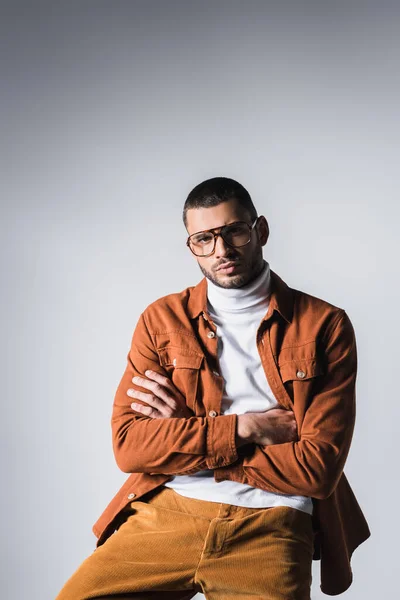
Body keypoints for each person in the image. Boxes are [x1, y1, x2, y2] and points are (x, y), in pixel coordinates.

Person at [56, 177, 370, 600]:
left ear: (260, 231)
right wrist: (245, 428)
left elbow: (316, 471)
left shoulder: (324, 324)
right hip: (168, 508)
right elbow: (129, 446)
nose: (221, 251)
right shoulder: (162, 319)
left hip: (273, 520)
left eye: (233, 231)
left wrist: (190, 441)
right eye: (204, 239)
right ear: (192, 247)